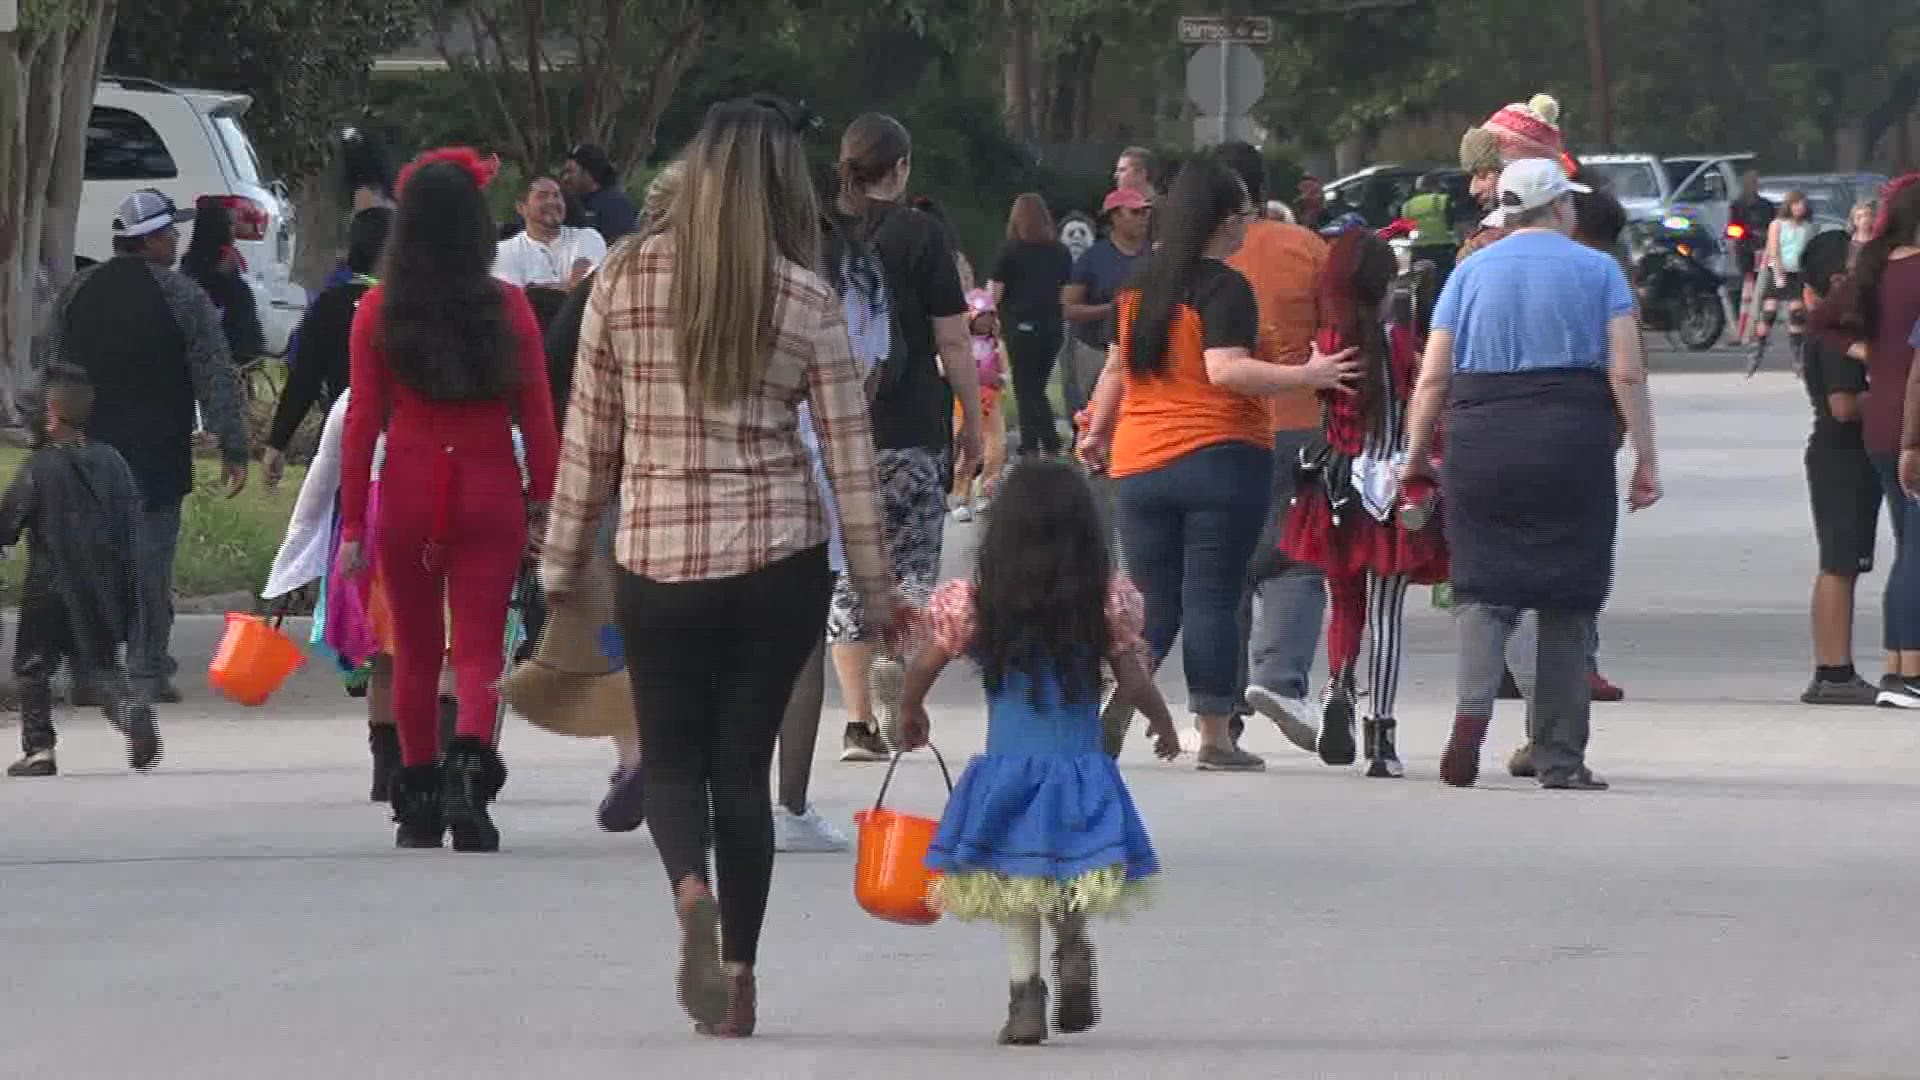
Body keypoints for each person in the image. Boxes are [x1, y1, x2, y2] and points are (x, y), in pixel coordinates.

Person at [541, 96, 900, 1038]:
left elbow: (591, 441)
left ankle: (689, 891)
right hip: (779, 561)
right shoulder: (806, 296)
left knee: (673, 761)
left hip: (658, 558)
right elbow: (851, 461)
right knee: (741, 772)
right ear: (785, 187)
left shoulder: (621, 281)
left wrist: (560, 555)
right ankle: (738, 977)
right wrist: (876, 586)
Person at [1080, 153, 1359, 772]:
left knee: (1153, 597)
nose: (1246, 227)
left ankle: (1122, 692)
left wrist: (1097, 432)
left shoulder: (1136, 286)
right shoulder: (1224, 287)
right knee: (1213, 594)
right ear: (1216, 219)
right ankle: (1214, 736)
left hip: (1139, 463)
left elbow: (1117, 371)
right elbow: (1225, 369)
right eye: (1241, 215)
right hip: (1218, 457)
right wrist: (1307, 374)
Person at [1403, 159, 1661, 792]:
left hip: (1482, 439)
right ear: (1561, 209)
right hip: (1571, 441)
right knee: (1568, 600)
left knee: (1482, 588)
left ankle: (1471, 714)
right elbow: (1625, 373)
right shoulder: (1599, 271)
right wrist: (1645, 456)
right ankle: (1559, 757)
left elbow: (1433, 374)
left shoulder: (1469, 271)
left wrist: (1415, 456)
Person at [900, 459, 1178, 1047]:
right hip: (1077, 764)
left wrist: (909, 709)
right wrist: (1161, 721)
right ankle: (1072, 936)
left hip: (1007, 768)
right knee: (1071, 862)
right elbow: (1131, 678)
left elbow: (924, 665)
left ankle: (1024, 997)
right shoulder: (1103, 602)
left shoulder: (975, 603)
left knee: (1015, 882)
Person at [337, 147, 559, 852]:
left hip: (406, 488)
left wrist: (350, 525)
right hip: (490, 489)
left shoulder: (376, 310)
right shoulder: (509, 307)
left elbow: (362, 423)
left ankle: (419, 799)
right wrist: (548, 505)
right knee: (479, 649)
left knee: (415, 649)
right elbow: (539, 416)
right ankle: (471, 781)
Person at [44, 189, 249, 705]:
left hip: (84, 456)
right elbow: (214, 373)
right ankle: (145, 670)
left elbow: (50, 367)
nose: (177, 242)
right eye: (170, 234)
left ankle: (91, 672)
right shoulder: (182, 297)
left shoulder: (77, 291)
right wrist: (233, 444)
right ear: (151, 240)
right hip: (156, 457)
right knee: (150, 564)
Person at [825, 112, 983, 764]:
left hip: (838, 430)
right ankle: (896, 695)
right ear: (901, 168)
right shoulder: (923, 236)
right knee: (911, 573)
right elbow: (953, 338)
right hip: (915, 430)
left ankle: (859, 721)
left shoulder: (822, 235)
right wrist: (972, 419)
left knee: (847, 575)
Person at [1280, 231, 1448, 778]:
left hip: (1338, 483)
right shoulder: (1399, 339)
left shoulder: (1329, 341)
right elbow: (1422, 394)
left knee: (1344, 598)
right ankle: (1382, 737)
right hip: (1395, 478)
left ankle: (1338, 687)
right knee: (1388, 611)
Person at [1214, 141, 1332, 755]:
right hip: (1300, 419)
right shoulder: (1308, 249)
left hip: (1217, 426)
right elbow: (1341, 333)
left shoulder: (1190, 259)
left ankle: (1220, 708)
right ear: (1262, 192)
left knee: (1224, 565)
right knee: (1296, 554)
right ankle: (1280, 679)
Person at [0, 366, 158, 777]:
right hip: (103, 583)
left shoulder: (40, 467)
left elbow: (9, 521)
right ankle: (129, 712)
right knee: (100, 666)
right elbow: (131, 519)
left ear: (51, 414)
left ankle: (39, 751)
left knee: (33, 666)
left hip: (49, 585)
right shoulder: (113, 461)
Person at [1815, 174, 1920, 707]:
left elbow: (1822, 320)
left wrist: (1872, 353)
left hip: (1881, 417)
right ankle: (1908, 671)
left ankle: (1900, 666)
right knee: (1918, 550)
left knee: (1911, 548)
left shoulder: (1875, 271)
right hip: (1914, 423)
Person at [1791, 228, 1880, 705]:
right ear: (1839, 276)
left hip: (1840, 454)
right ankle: (1832, 670)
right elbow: (1844, 405)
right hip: (1841, 454)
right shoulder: (1838, 334)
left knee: (1844, 561)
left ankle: (1835, 667)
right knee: (1840, 562)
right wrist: (1890, 398)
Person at [264, 207, 393, 489]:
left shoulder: (331, 303)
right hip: (398, 442)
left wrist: (278, 441)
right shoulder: (412, 308)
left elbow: (305, 378)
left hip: (343, 435)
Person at [990, 193, 1073, 456]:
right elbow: (1066, 291)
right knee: (1036, 386)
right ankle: (1044, 441)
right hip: (1052, 327)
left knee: (1026, 387)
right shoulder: (1061, 252)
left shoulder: (1010, 250)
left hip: (1020, 326)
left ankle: (1037, 444)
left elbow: (995, 293)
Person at [1061, 189, 1151, 426]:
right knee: (1095, 416)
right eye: (1135, 212)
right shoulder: (1092, 258)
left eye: (1145, 211)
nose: (1143, 217)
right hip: (1096, 349)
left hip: (1142, 351)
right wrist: (1112, 309)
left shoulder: (1155, 255)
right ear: (1115, 217)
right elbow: (1068, 308)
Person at [493, 175, 608, 327]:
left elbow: (586, 292)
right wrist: (567, 286)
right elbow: (515, 304)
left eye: (557, 196)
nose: (552, 202)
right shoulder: (504, 251)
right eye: (542, 196)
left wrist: (536, 290)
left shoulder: (587, 237)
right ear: (521, 208)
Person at [179, 198, 266, 365]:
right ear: (218, 227)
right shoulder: (222, 261)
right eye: (230, 224)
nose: (235, 230)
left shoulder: (190, 260)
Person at [950, 286, 1009, 521]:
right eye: (980, 318)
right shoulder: (959, 344)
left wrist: (997, 379)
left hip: (990, 403)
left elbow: (1005, 375)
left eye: (989, 318)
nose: (984, 323)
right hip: (962, 402)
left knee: (996, 448)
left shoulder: (997, 346)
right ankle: (959, 496)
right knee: (964, 450)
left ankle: (987, 491)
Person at [1747, 190, 1817, 372]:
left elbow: (1810, 252)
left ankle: (1797, 356)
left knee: (1796, 314)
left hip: (1797, 273)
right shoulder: (1777, 225)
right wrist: (1778, 273)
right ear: (1789, 206)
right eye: (1796, 204)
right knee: (1769, 311)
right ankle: (1757, 348)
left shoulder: (1808, 227)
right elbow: (1773, 250)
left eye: (1802, 204)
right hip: (1779, 270)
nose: (1799, 208)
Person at [562, 143, 640, 242]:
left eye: (570, 172)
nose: (565, 178)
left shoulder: (616, 204)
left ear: (588, 172)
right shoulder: (569, 203)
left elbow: (622, 246)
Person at [1730, 171, 1777, 339]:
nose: (1751, 186)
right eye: (1748, 183)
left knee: (1762, 289)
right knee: (1746, 288)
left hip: (1764, 252)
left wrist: (1766, 236)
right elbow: (1732, 229)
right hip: (1745, 251)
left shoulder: (1767, 206)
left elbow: (1775, 226)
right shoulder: (1737, 206)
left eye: (1754, 183)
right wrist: (1748, 233)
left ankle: (1758, 327)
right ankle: (1741, 326)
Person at [1402, 171, 1460, 290]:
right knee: (1444, 285)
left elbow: (1406, 229)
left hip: (1418, 250)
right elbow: (1453, 221)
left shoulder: (1407, 205)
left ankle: (1420, 306)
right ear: (1436, 185)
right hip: (1442, 249)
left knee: (1419, 286)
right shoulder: (1443, 200)